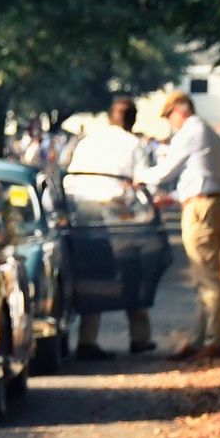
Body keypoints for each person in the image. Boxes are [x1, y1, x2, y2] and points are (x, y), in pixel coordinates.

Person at [140, 91, 220, 359]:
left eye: (170, 116)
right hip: (208, 202)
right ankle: (200, 336)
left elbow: (166, 170)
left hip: (200, 207)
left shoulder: (191, 131)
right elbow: (201, 175)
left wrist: (139, 177)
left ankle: (216, 340)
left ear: (180, 110)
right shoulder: (208, 132)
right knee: (204, 274)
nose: (171, 122)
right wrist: (174, 197)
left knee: (206, 277)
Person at [65, 97, 156, 359]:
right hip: (118, 211)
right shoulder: (134, 144)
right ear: (133, 119)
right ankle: (140, 336)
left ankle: (87, 338)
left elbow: (72, 180)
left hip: (85, 213)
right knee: (131, 270)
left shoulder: (89, 141)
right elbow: (142, 182)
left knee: (94, 275)